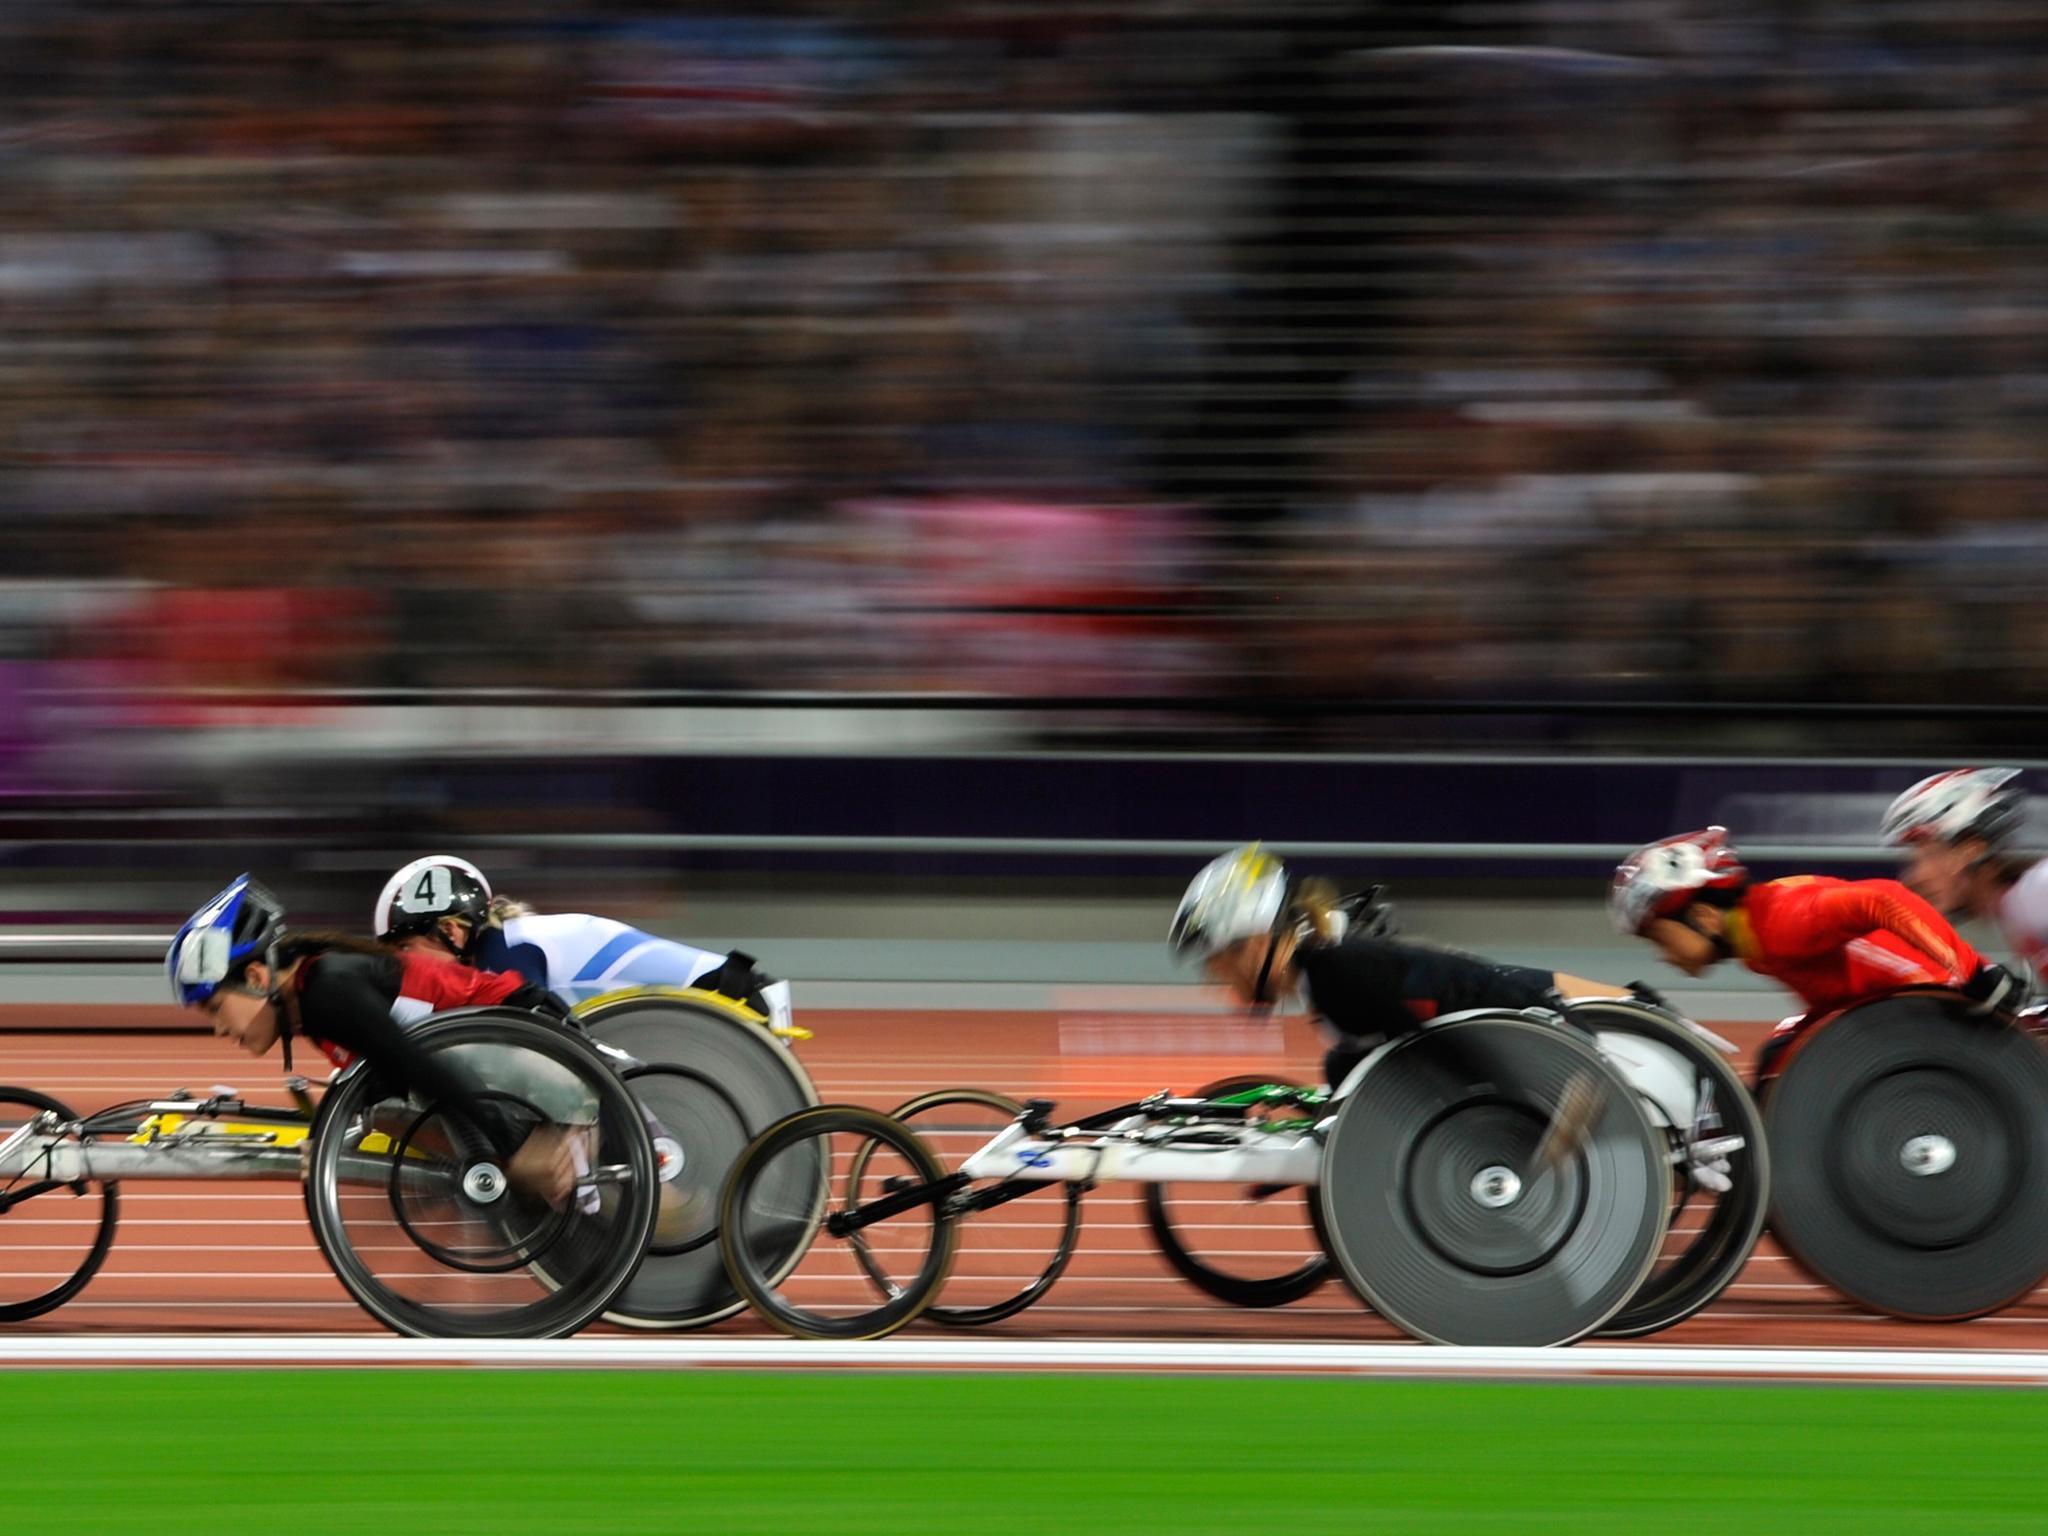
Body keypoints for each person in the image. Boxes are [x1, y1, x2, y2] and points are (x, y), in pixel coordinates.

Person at [1168, 844, 1674, 1179]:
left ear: (1252, 945)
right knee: (1338, 1065)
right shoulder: (1326, 973)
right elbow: (1377, 1061)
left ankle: (1636, 1021)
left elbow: (1428, 1050)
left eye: (1217, 965)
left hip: (1532, 1026)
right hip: (1507, 1003)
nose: (1219, 985)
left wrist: (1501, 1119)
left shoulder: (1337, 972)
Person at [167, 873, 583, 1202]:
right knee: (386, 1110)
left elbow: (417, 1064)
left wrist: (513, 1146)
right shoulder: (311, 1005)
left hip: (534, 1031)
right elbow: (382, 1079)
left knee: (399, 1109)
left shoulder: (327, 990)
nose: (219, 1030)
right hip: (499, 1054)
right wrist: (322, 1133)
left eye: (216, 1009)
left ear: (257, 977)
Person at [1610, 826, 2020, 1074]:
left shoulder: (1783, 921)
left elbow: (1883, 898)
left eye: (1661, 938)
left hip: (1942, 1013)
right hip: (1896, 1015)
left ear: (1703, 916)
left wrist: (1972, 972)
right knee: (1780, 1051)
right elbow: (1839, 983)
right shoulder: (1755, 939)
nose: (1664, 956)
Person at [370, 854, 793, 1033]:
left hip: (739, 1003)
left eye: (405, 951)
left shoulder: (505, 948)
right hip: (724, 1006)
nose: (406, 966)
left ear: (452, 930)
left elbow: (531, 1039)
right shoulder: (500, 945)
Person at [1881, 768, 2048, 985]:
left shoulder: (2037, 893)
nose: (1915, 877)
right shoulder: (2016, 910)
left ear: (1972, 851)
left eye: (1930, 856)